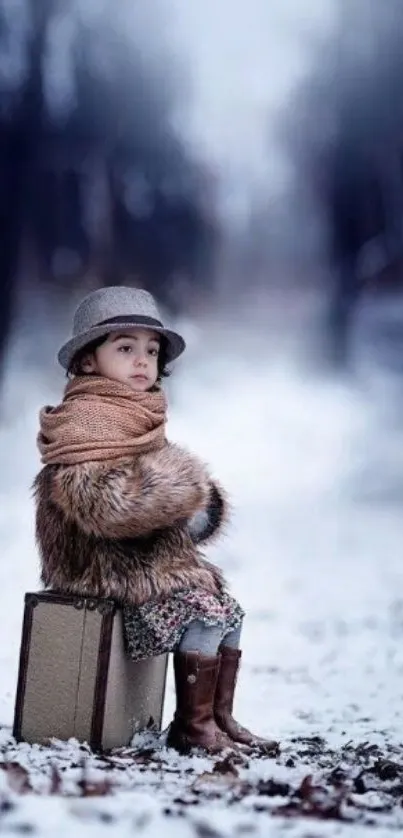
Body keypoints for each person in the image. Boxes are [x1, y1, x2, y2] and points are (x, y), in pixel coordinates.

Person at [34, 285, 277, 756]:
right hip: (98, 570)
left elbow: (159, 502)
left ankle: (217, 718)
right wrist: (182, 488)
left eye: (151, 349)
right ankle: (193, 727)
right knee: (203, 612)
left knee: (227, 610)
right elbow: (107, 507)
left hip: (139, 559)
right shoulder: (85, 424)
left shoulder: (138, 416)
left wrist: (198, 509)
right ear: (88, 360)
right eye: (125, 348)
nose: (142, 361)